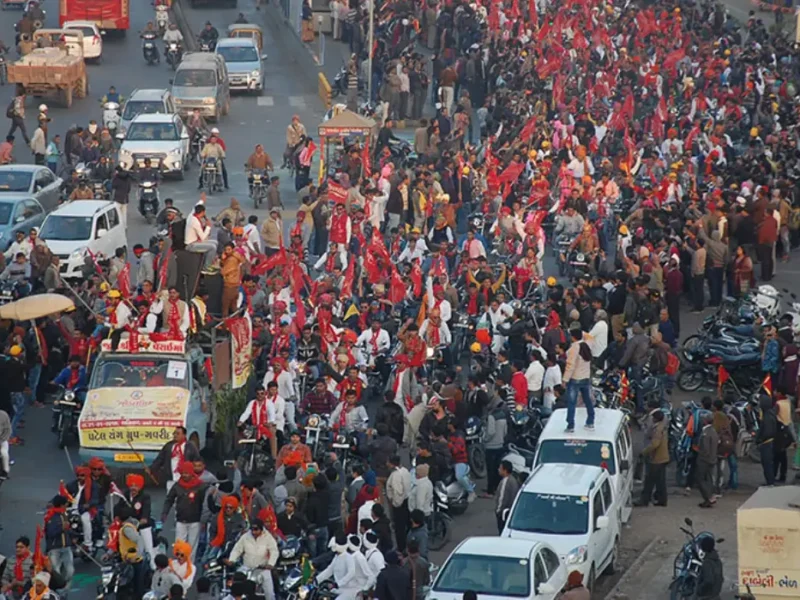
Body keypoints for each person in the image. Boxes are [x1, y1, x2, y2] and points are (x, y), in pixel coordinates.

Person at [161, 462, 208, 561]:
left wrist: (204, 520)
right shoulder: (177, 486)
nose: (184, 475)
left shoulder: (201, 486)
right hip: (180, 520)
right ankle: (179, 565)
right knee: (179, 546)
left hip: (195, 521)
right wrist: (165, 512)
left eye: (187, 473)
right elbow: (169, 500)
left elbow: (205, 504)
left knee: (192, 546)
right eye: (183, 473)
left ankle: (190, 568)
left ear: (191, 473)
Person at [226, 519, 279, 600]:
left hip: (262, 568)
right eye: (252, 529)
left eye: (256, 530)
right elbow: (237, 549)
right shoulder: (245, 537)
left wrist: (271, 564)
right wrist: (232, 559)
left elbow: (274, 551)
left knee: (270, 593)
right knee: (237, 586)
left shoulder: (268, 537)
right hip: (247, 568)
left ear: (261, 529)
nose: (253, 532)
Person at [562, 325, 595, 432]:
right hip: (585, 377)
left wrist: (565, 380)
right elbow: (590, 337)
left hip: (575, 379)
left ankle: (570, 425)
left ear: (573, 337)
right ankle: (590, 421)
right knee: (587, 400)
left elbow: (570, 365)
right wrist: (581, 332)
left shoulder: (574, 348)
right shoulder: (587, 344)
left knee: (572, 402)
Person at [635, 408, 668, 507]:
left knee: (649, 481)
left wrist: (644, 452)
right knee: (660, 481)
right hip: (662, 458)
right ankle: (662, 500)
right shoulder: (661, 427)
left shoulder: (658, 430)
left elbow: (655, 444)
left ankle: (644, 500)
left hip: (657, 459)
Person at [44, 495, 74, 594]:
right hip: (54, 549)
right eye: (65, 505)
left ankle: (64, 591)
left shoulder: (64, 515)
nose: (66, 506)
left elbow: (67, 530)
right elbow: (50, 533)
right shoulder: (50, 517)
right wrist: (62, 528)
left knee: (70, 571)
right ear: (61, 505)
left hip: (66, 547)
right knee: (55, 572)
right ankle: (55, 593)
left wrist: (72, 537)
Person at [185, 203, 218, 269]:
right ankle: (206, 267)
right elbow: (203, 237)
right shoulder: (195, 222)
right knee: (212, 247)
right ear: (203, 212)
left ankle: (209, 260)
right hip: (191, 245)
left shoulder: (191, 216)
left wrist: (201, 201)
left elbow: (193, 209)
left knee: (215, 242)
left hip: (196, 241)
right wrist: (208, 227)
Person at [696, 414, 719, 509]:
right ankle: (709, 497)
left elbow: (705, 448)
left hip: (704, 459)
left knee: (700, 479)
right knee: (708, 479)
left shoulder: (705, 432)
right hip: (712, 458)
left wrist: (698, 451)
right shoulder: (713, 431)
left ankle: (708, 497)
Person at [495, 460, 519, 533]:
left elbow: (502, 498)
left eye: (500, 468)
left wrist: (498, 511)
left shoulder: (506, 482)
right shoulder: (512, 480)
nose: (498, 470)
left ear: (505, 470)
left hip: (504, 513)